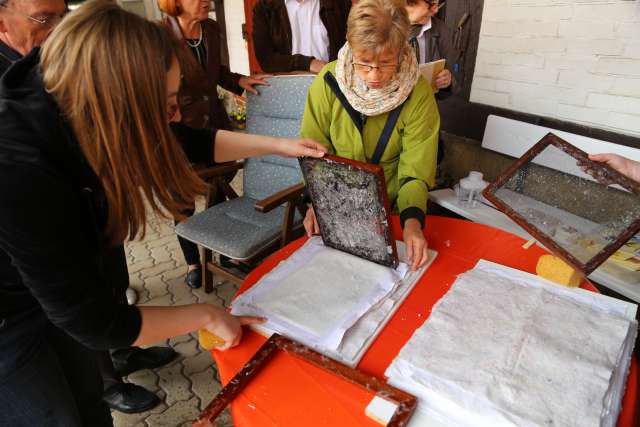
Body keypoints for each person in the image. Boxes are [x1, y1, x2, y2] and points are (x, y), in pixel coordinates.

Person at [0, 1, 326, 425]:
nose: (175, 115)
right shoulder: (19, 169)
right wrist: (208, 314)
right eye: (168, 102)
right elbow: (95, 323)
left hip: (50, 291)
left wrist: (282, 145)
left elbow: (188, 140)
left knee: (88, 405)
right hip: (8, 321)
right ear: (120, 102)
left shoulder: (79, 94)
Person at [300, 0, 440, 272]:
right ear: (351, 50)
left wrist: (412, 223)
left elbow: (415, 169)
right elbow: (313, 151)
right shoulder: (329, 82)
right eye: (364, 63)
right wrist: (315, 202)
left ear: (401, 52)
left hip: (393, 209)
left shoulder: (418, 93)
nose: (374, 76)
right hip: (335, 204)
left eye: (386, 63)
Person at [158, 0, 267, 289]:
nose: (207, 1)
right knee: (181, 201)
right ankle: (194, 261)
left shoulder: (211, 28)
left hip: (215, 126)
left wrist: (240, 81)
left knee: (217, 186)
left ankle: (220, 252)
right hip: (179, 131)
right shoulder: (158, 35)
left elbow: (216, 71)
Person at [252, 0, 351, 73]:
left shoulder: (339, 3)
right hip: (286, 87)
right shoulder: (264, 8)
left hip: (331, 83)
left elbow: (352, 48)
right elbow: (266, 60)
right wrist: (308, 63)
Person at [405, 0, 454, 93]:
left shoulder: (442, 30)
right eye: (431, 4)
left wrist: (447, 81)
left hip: (425, 100)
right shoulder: (378, 26)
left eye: (438, 4)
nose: (436, 10)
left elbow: (449, 73)